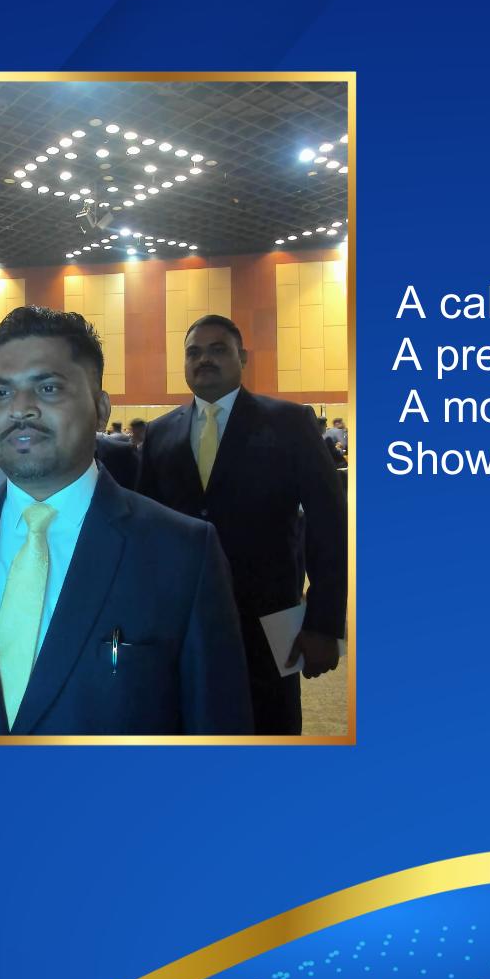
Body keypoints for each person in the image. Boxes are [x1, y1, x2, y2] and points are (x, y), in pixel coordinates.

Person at [0, 305, 252, 737]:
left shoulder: (182, 552)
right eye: (2, 392)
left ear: (101, 408)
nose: (20, 409)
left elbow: (218, 735)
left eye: (48, 387)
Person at [138, 314, 347, 736]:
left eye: (218, 350)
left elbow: (329, 522)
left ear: (243, 357)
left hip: (268, 617)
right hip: (182, 619)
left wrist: (324, 624)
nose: (204, 359)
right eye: (194, 352)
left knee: (270, 727)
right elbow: (145, 531)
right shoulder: (160, 434)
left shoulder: (289, 423)